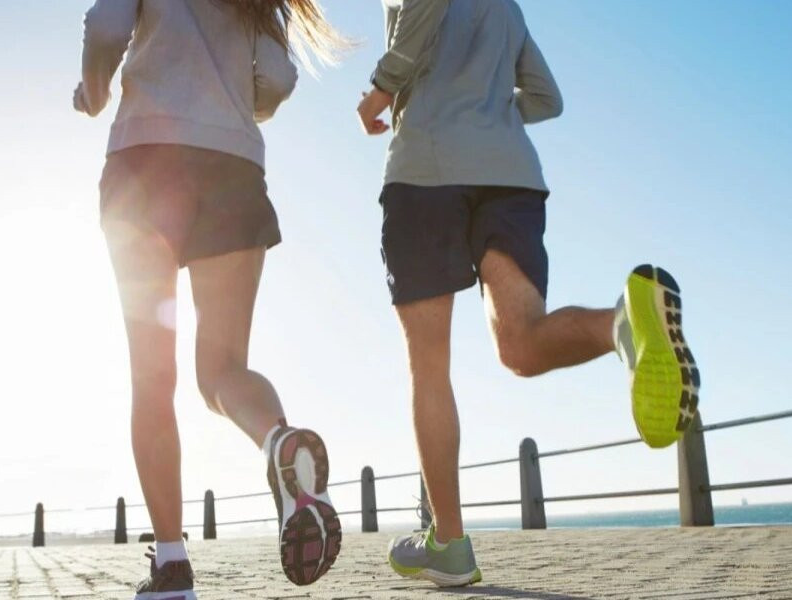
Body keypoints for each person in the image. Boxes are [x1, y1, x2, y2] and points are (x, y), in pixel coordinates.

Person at [356, 0, 701, 587]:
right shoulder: (507, 7)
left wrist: (379, 92)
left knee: (429, 366)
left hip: (427, 173)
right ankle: (621, 323)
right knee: (520, 345)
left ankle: (449, 543)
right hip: (510, 173)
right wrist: (489, 109)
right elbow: (547, 97)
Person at [75, 1, 348, 596]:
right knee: (222, 370)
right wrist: (232, 103)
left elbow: (107, 26)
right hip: (232, 168)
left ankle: (172, 567)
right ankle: (279, 441)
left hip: (145, 161)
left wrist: (95, 91)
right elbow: (278, 77)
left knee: (153, 379)